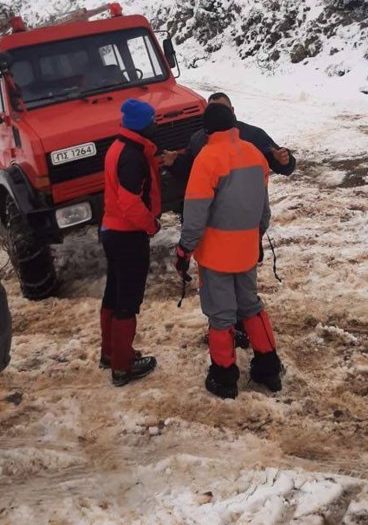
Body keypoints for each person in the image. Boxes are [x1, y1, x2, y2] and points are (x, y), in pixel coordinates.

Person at [174, 102, 283, 399]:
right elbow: (263, 209)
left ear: (207, 129)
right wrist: (255, 236)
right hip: (246, 250)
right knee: (251, 306)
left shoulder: (207, 159)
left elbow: (195, 214)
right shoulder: (254, 154)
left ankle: (224, 378)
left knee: (221, 316)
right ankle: (269, 369)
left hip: (216, 256)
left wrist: (184, 249)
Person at [99, 98, 160, 386]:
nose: (156, 125)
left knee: (114, 294)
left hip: (112, 231)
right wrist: (151, 224)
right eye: (152, 121)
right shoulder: (132, 156)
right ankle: (122, 367)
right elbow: (130, 202)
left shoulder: (119, 146)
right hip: (128, 235)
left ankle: (110, 353)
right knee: (128, 301)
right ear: (141, 125)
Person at [162, 92, 296, 183]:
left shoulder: (253, 135)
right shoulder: (198, 139)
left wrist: (284, 161)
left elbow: (282, 165)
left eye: (222, 109)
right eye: (213, 110)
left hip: (248, 206)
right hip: (214, 208)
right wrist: (174, 163)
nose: (218, 114)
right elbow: (189, 171)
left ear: (232, 110)